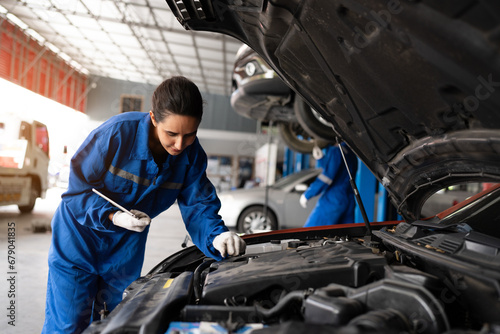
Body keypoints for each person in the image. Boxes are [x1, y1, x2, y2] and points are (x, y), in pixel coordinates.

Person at [42, 76, 246, 333]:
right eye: (171, 134)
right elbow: (76, 193)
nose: (180, 144)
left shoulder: (192, 156)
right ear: (153, 118)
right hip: (78, 240)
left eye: (190, 135)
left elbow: (199, 206)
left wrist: (217, 236)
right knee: (68, 324)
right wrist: (113, 216)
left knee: (116, 322)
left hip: (125, 249)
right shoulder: (116, 134)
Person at [299, 143, 358, 227]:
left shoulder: (336, 150)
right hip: (349, 200)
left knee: (310, 232)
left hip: (333, 199)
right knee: (346, 236)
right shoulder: (350, 153)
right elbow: (338, 171)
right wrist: (321, 159)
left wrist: (308, 194)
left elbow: (327, 177)